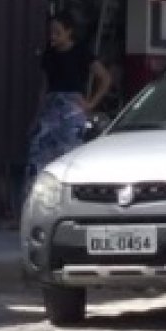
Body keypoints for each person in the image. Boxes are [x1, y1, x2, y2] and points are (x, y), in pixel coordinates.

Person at [24, 11, 112, 198]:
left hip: (72, 109)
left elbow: (104, 78)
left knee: (69, 156)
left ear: (69, 32)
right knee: (37, 153)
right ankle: (34, 202)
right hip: (51, 107)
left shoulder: (81, 52)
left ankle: (70, 200)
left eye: (57, 32)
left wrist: (90, 104)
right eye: (51, 32)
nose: (53, 36)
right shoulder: (49, 53)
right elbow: (44, 86)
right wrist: (36, 116)